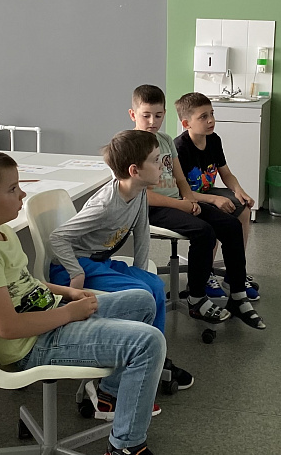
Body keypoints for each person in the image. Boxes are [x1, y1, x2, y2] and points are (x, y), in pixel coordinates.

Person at [0, 150, 165, 455]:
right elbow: (8, 327)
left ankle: (110, 395)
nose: (22, 194)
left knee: (143, 301)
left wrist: (68, 293)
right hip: (31, 345)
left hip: (52, 316)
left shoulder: (1, 232)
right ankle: (125, 447)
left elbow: (26, 283)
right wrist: (69, 313)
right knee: (148, 343)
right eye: (12, 189)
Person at [48, 129, 194, 386]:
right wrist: (76, 272)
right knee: (142, 293)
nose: (162, 165)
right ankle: (136, 362)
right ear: (134, 171)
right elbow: (58, 237)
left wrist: (141, 272)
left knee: (154, 284)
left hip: (99, 262)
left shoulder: (139, 191)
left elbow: (142, 233)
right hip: (76, 266)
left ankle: (154, 357)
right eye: (155, 160)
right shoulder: (105, 205)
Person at [173, 92, 266, 329]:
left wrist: (239, 191)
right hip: (191, 198)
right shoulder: (180, 147)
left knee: (243, 209)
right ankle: (206, 276)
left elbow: (226, 173)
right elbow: (183, 191)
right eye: (203, 117)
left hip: (208, 191)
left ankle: (235, 275)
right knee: (217, 219)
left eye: (212, 114)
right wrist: (214, 200)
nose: (211, 120)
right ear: (186, 123)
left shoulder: (213, 140)